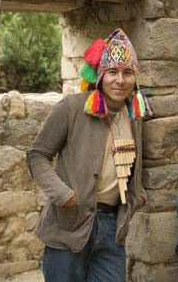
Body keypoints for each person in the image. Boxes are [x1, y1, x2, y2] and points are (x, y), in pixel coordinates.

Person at [26, 28, 152, 282]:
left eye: (127, 73)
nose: (120, 80)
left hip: (112, 227)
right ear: (100, 75)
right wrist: (63, 195)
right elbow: (37, 155)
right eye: (112, 72)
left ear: (135, 77)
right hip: (70, 223)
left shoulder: (135, 116)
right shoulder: (72, 108)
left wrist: (137, 196)